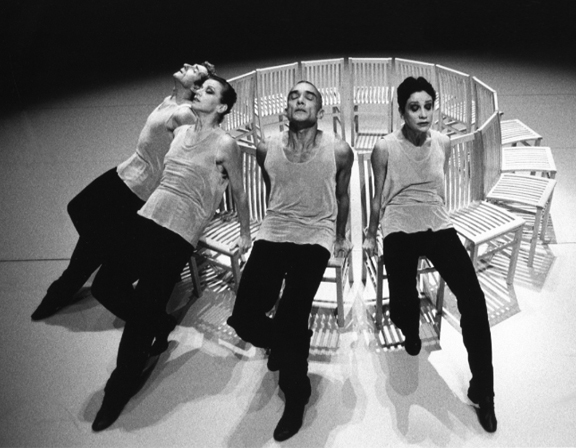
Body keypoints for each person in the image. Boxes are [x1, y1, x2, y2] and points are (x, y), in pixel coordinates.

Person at [89, 74, 252, 431]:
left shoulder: (226, 143)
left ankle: (118, 389)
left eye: (209, 91)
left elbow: (239, 192)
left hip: (179, 231)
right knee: (105, 286)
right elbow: (158, 130)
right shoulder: (179, 130)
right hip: (148, 217)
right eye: (200, 87)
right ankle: (158, 322)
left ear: (222, 106)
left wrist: (244, 232)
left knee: (141, 312)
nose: (200, 92)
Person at [362, 76, 498, 433]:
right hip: (399, 222)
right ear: (401, 111)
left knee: (473, 299)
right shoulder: (384, 147)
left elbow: (436, 189)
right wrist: (370, 233)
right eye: (414, 107)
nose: (423, 114)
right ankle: (409, 329)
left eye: (427, 106)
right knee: (402, 301)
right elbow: (378, 196)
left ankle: (484, 391)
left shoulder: (443, 142)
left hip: (436, 222)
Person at [31, 62, 212, 321]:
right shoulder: (172, 99)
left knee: (89, 245)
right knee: (79, 212)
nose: (186, 65)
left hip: (139, 188)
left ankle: (62, 290)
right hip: (126, 171)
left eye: (194, 69)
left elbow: (189, 155)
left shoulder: (185, 114)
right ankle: (88, 267)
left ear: (195, 87)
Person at [227, 81, 354, 442]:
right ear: (285, 109)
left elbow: (342, 196)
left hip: (315, 234)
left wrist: (340, 238)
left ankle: (296, 394)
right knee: (243, 318)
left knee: (292, 313)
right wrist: (266, 225)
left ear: (320, 111)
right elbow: (273, 191)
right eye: (294, 96)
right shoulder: (266, 148)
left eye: (309, 96)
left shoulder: (339, 150)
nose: (300, 100)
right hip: (275, 230)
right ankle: (287, 344)